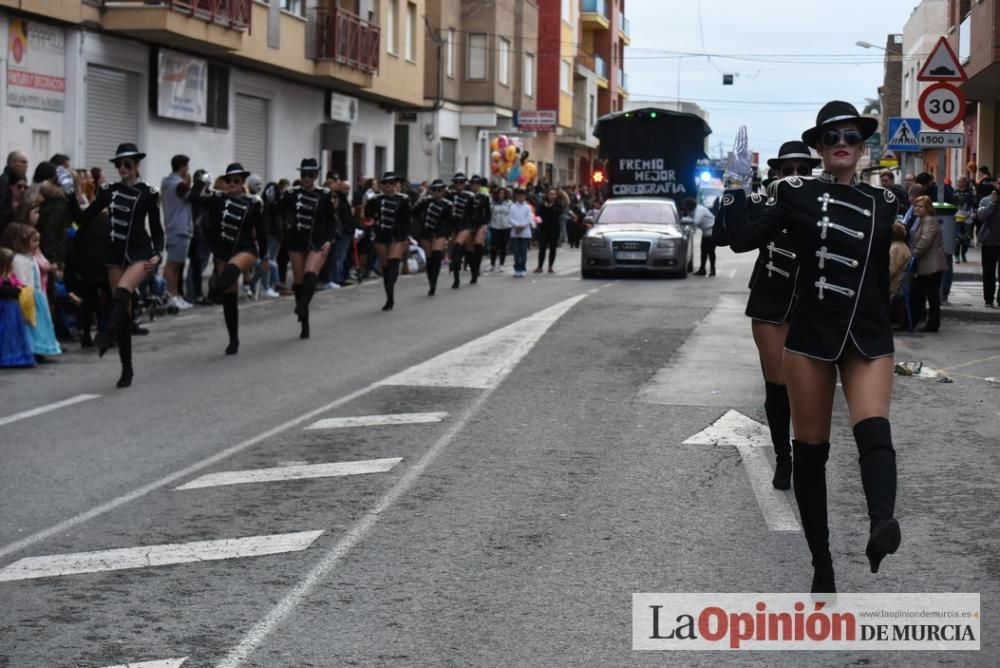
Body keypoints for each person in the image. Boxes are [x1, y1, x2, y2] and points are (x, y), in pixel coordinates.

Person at [721, 101, 901, 594]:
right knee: (811, 450)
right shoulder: (794, 193)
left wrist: (892, 320)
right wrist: (736, 187)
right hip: (811, 333)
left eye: (851, 136)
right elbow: (739, 240)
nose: (841, 142)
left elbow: (882, 276)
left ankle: (882, 521)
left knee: (874, 427)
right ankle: (822, 562)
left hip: (866, 331)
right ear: (820, 149)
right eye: (830, 137)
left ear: (862, 148)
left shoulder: (885, 202)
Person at [715, 140, 820, 490]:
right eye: (786, 171)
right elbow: (724, 236)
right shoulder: (760, 203)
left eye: (801, 171)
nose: (794, 177)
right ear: (775, 173)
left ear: (811, 173)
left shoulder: (824, 204)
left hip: (811, 301)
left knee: (808, 388)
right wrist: (733, 189)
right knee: (777, 385)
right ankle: (783, 457)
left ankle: (806, 454)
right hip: (770, 299)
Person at [69, 143, 163, 388]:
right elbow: (82, 218)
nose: (122, 168)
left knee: (123, 293)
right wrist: (70, 193)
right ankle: (126, 368)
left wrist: (158, 253)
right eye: (118, 164)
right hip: (114, 254)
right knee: (123, 312)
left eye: (127, 164)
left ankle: (106, 334)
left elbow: (156, 227)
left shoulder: (149, 192)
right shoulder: (108, 191)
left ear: (137, 165)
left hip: (141, 252)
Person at [193, 163, 267, 354]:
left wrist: (265, 256)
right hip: (222, 251)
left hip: (246, 249)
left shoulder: (253, 203)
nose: (232, 184)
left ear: (243, 182)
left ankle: (213, 287)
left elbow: (261, 232)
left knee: (228, 274)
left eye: (236, 180)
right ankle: (233, 339)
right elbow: (193, 197)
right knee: (229, 297)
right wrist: (204, 180)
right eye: (228, 180)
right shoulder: (217, 199)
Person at [276, 158, 338, 338]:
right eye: (303, 174)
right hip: (296, 240)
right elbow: (277, 211)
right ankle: (305, 323)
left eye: (310, 175)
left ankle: (301, 306)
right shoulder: (290, 194)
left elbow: (331, 221)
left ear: (316, 175)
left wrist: (330, 240)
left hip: (317, 241)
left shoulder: (324, 194)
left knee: (310, 273)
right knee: (299, 283)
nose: (306, 178)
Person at [4, 223, 62, 361]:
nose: (37, 244)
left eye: (38, 241)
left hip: (36, 296)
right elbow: (22, 279)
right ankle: (32, 348)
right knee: (30, 324)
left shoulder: (31, 259)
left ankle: (40, 348)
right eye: (34, 241)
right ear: (24, 242)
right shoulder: (19, 261)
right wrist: (26, 293)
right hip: (28, 295)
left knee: (40, 324)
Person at [364, 172, 410, 310]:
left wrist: (406, 237)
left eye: (391, 183)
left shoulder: (403, 199)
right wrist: (369, 204)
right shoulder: (376, 199)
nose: (388, 186)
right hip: (381, 235)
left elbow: (406, 220)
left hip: (397, 235)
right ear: (381, 185)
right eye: (385, 183)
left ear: (396, 185)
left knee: (393, 262)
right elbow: (368, 215)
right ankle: (389, 298)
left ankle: (391, 284)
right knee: (386, 267)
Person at [161, 154, 194, 311]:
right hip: (179, 228)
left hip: (173, 226)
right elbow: (193, 197)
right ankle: (171, 296)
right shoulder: (179, 185)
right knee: (172, 265)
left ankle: (175, 295)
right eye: (187, 166)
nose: (188, 169)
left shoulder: (168, 182)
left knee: (176, 265)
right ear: (181, 167)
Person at [908, 196, 946, 332]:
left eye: (921, 206)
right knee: (918, 293)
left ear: (928, 208)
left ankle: (932, 323)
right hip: (924, 264)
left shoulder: (929, 220)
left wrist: (913, 255)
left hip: (932, 265)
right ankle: (914, 320)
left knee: (931, 295)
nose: (917, 208)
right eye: (916, 205)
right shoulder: (921, 220)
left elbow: (925, 241)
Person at [413, 179, 453, 295]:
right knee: (429, 258)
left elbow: (450, 221)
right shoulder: (425, 202)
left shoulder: (448, 204)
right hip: (426, 231)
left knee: (436, 256)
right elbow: (413, 212)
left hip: (439, 232)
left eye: (439, 190)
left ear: (443, 191)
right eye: (434, 190)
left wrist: (447, 235)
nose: (436, 192)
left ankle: (434, 283)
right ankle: (431, 282)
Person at [0, 246, 35, 368]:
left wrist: (22, 288)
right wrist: (16, 291)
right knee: (5, 332)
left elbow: (17, 284)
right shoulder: (2, 277)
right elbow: (3, 290)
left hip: (12, 307)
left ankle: (17, 355)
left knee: (14, 332)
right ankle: (6, 356)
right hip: (4, 308)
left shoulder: (10, 275)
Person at [448, 172, 476, 289]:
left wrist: (473, 227)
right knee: (457, 251)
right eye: (456, 182)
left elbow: (473, 213)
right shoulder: (449, 195)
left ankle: (474, 274)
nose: (459, 184)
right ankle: (456, 278)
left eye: (461, 182)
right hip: (454, 226)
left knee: (466, 250)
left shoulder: (470, 196)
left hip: (466, 226)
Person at [977, 180, 1000, 308]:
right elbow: (981, 216)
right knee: (988, 273)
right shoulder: (986, 200)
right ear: (995, 185)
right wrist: (993, 203)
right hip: (988, 241)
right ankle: (989, 299)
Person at [682, 196, 718, 276]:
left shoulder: (700, 210)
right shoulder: (693, 211)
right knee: (703, 252)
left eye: (686, 207)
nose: (685, 209)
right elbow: (690, 219)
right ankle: (702, 269)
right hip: (705, 233)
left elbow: (696, 222)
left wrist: (683, 220)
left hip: (712, 232)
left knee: (711, 252)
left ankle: (713, 269)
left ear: (689, 205)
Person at [534, 188, 562, 274]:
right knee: (542, 247)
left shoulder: (558, 205)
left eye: (553, 194)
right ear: (547, 195)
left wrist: (549, 208)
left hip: (554, 229)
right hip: (544, 229)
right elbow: (538, 214)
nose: (552, 196)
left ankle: (550, 266)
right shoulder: (542, 204)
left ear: (556, 196)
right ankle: (540, 266)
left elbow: (557, 213)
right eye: (550, 194)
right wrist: (538, 223)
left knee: (553, 248)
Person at [0, 151, 29, 231]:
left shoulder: (21, 179)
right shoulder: (4, 182)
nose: (26, 166)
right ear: (13, 163)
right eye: (23, 162)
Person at [509, 188, 533, 277]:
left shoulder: (528, 207)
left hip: (525, 232)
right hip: (515, 232)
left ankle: (522, 268)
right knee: (516, 252)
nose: (521, 198)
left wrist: (522, 226)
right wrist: (517, 225)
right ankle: (516, 268)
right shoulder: (512, 207)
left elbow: (529, 218)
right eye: (519, 196)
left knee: (523, 252)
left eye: (522, 196)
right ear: (516, 197)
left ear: (525, 197)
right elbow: (510, 218)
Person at [489, 187, 512, 271]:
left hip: (506, 227)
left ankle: (501, 264)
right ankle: (492, 264)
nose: (501, 195)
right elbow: (490, 213)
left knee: (503, 246)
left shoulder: (509, 203)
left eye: (503, 193)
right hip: (495, 226)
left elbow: (511, 214)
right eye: (499, 193)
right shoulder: (492, 203)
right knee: (494, 246)